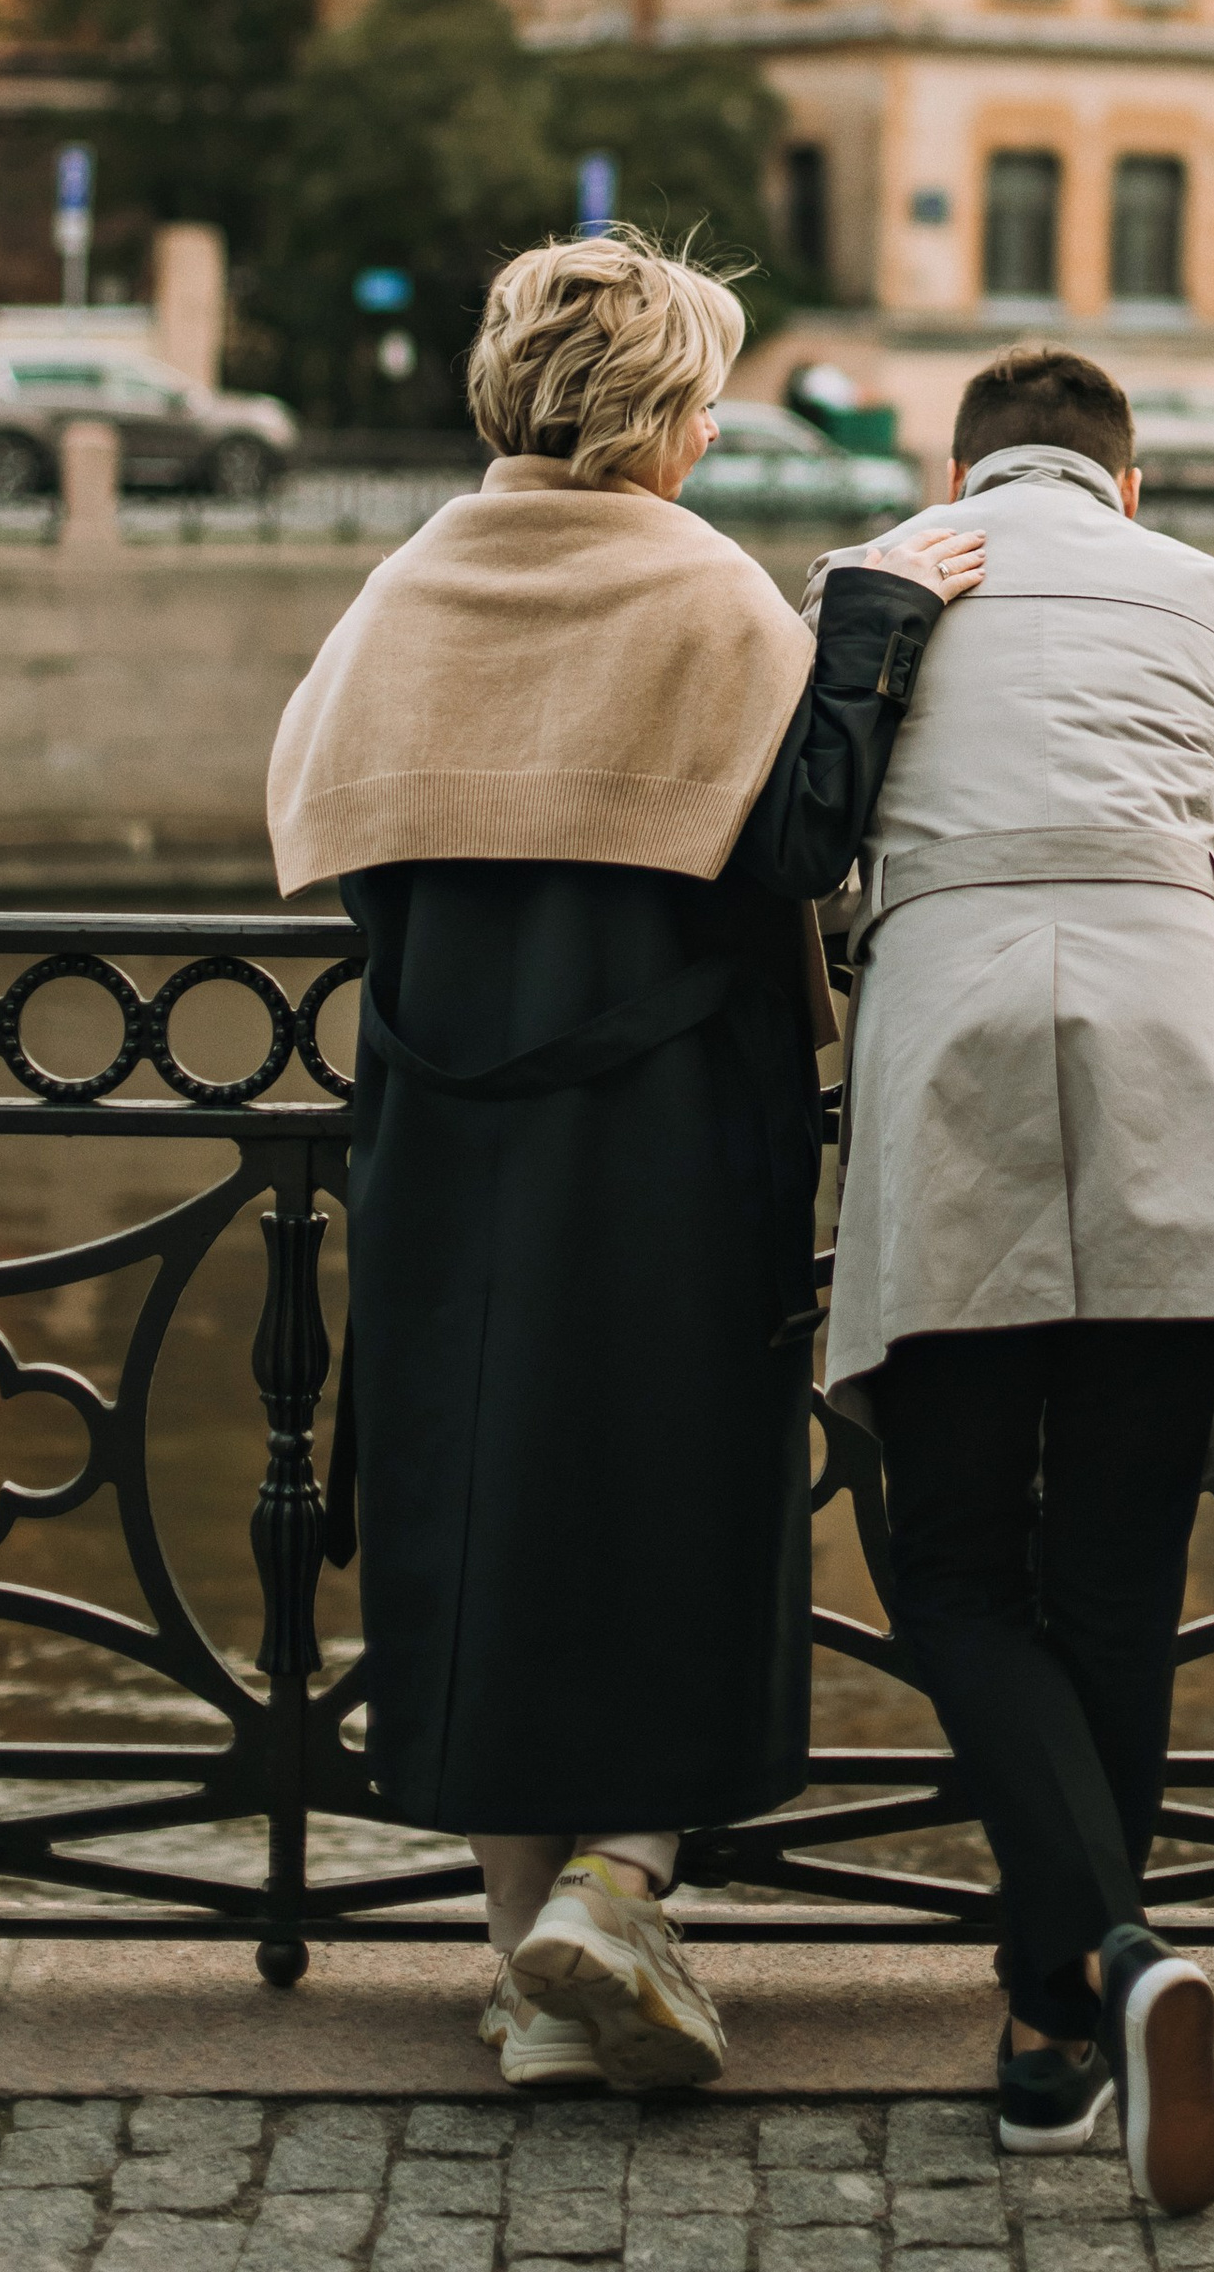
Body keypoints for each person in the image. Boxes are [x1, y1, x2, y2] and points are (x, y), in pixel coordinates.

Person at [267, 234, 981, 2090]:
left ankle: (529, 1986)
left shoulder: (404, 590)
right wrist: (880, 619)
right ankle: (619, 1881)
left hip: (439, 1138)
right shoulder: (706, 587)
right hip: (672, 1142)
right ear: (662, 417)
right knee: (673, 1500)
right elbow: (798, 843)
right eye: (705, 396)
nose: (715, 424)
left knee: (481, 1510)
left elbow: (362, 855)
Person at [812, 343, 1214, 2214]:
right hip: (1171, 1085)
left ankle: (1095, 1979)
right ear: (1123, 486)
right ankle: (1068, 2028)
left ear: (959, 476)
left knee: (948, 1565)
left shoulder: (878, 575)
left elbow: (808, 837)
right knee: (1116, 1579)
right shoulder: (1212, 600)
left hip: (951, 1068)